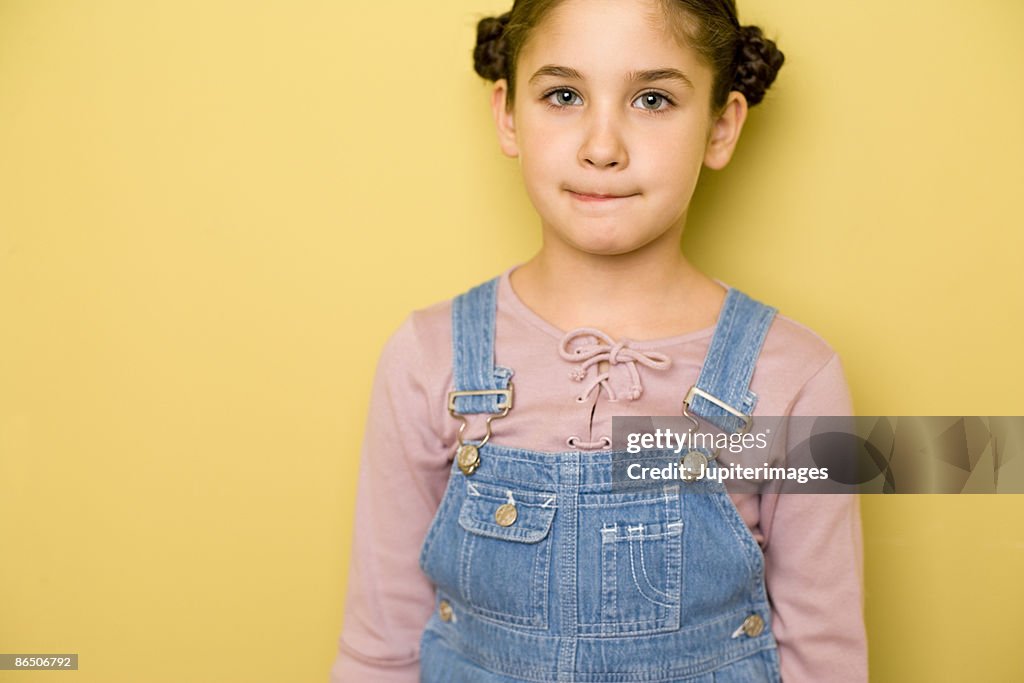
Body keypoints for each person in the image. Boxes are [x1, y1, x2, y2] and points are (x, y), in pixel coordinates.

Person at [330, 0, 867, 680]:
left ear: (721, 126)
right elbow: (378, 650)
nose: (603, 146)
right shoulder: (427, 358)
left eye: (652, 98)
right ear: (507, 115)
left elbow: (826, 655)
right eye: (563, 95)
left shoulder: (796, 377)